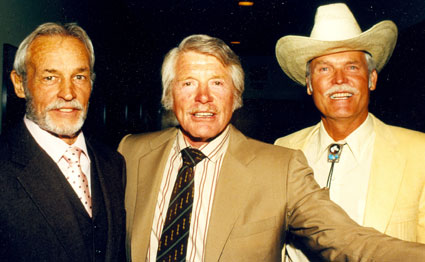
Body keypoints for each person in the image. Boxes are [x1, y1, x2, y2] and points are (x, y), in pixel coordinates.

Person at [119, 33, 425, 262]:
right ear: (169, 95)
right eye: (188, 84)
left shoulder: (280, 166)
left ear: (236, 95)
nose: (203, 97)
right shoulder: (130, 153)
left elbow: (347, 239)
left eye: (217, 83)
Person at [274, 3, 425, 261]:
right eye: (324, 69)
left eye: (352, 67)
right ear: (309, 84)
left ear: (372, 79)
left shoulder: (418, 152)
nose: (339, 80)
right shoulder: (282, 150)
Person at [0, 22, 126, 261]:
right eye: (50, 77)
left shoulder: (113, 163)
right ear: (19, 84)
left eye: (79, 76)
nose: (68, 93)